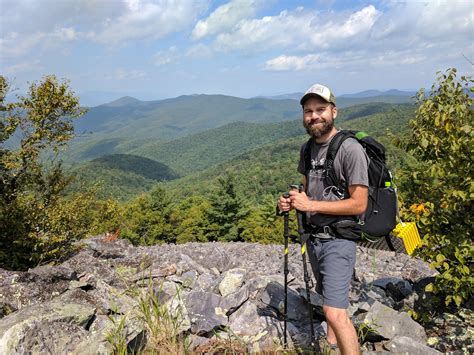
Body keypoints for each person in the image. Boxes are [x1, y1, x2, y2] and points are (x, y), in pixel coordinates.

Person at [277, 84, 368, 355]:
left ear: (334, 112)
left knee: (334, 311)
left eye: (320, 109)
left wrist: (310, 204)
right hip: (314, 237)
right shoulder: (307, 150)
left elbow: (359, 203)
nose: (314, 116)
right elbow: (307, 190)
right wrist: (291, 201)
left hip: (340, 238)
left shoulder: (350, 150)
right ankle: (331, 346)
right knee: (328, 300)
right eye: (308, 111)